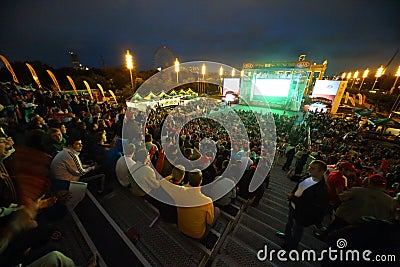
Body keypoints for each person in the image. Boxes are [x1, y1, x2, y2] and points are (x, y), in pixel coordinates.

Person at [276, 160, 329, 250]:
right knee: (289, 222)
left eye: (313, 168)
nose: (309, 169)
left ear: (321, 171)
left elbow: (310, 205)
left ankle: (291, 246)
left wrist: (293, 197)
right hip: (293, 205)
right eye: (309, 167)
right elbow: (300, 179)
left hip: (302, 212)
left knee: (297, 229)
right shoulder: (309, 176)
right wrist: (292, 177)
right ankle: (287, 235)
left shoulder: (321, 189)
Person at [324, 174, 397, 236]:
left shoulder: (356, 190)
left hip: (345, 221)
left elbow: (341, 197)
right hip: (370, 231)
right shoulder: (390, 200)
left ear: (369, 182)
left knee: (330, 237)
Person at [177, 169, 220, 239]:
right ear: (201, 181)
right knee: (217, 210)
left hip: (181, 227)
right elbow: (209, 221)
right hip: (197, 235)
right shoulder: (207, 201)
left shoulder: (179, 191)